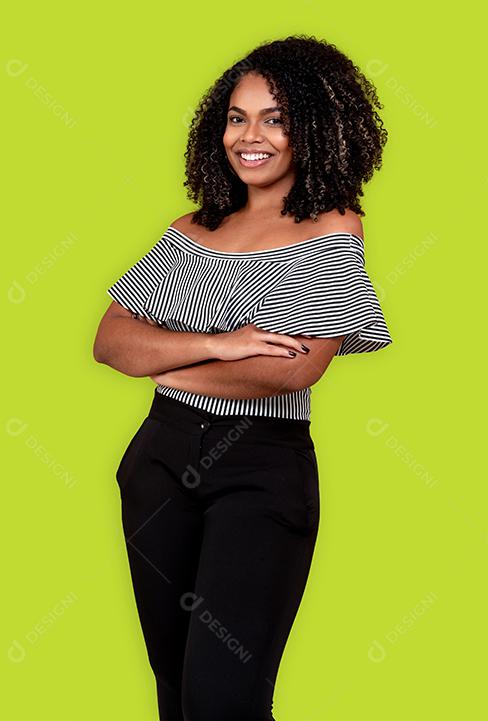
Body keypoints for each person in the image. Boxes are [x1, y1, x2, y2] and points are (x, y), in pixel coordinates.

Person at [92, 35, 393, 721]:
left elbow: (289, 372)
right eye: (237, 116)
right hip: (158, 459)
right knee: (175, 693)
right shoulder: (192, 228)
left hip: (259, 467)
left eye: (275, 117)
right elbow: (110, 342)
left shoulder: (331, 229)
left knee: (224, 699)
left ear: (316, 126)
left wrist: (165, 351)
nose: (249, 135)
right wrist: (223, 345)